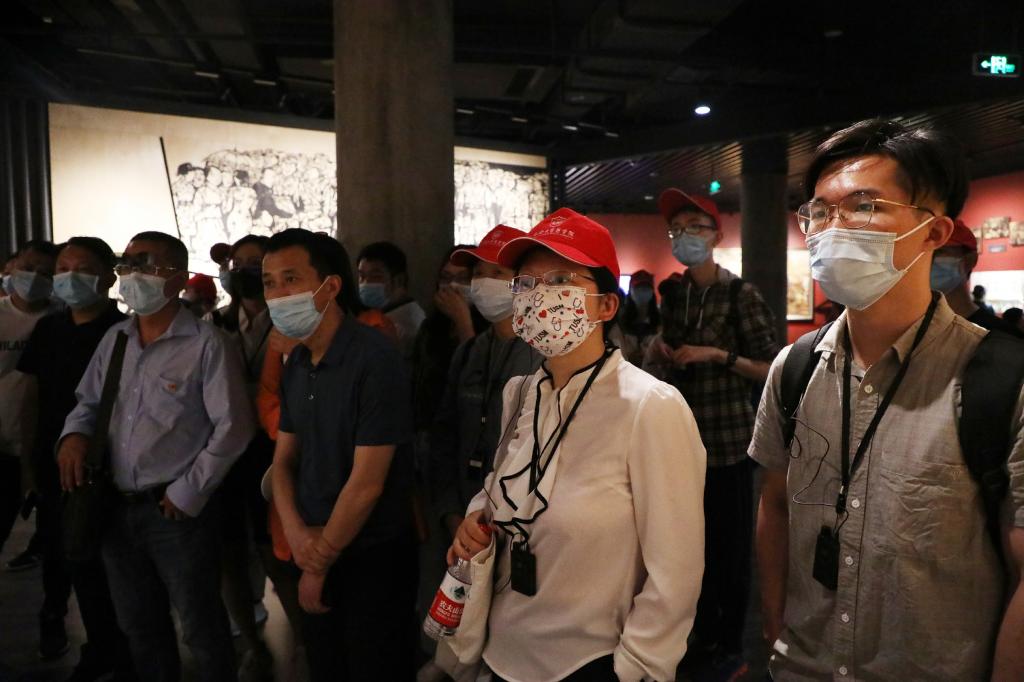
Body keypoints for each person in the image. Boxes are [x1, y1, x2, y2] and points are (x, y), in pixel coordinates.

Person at [751, 118, 1024, 680]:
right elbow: (775, 505)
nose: (833, 228)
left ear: (933, 231)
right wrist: (775, 626)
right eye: (819, 212)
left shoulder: (1000, 381)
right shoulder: (795, 368)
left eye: (864, 206)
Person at [450, 208, 706, 682]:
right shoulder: (521, 393)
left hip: (588, 661)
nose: (539, 295)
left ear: (606, 306)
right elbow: (503, 485)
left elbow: (677, 567)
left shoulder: (650, 406)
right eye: (527, 282)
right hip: (501, 650)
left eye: (561, 280)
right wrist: (477, 515)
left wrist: (633, 666)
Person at [58, 231, 254, 682]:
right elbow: (88, 403)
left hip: (175, 512)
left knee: (201, 626)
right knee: (140, 626)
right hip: (116, 506)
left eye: (145, 264)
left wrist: (189, 491)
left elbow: (233, 427)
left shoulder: (206, 344)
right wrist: (74, 436)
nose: (132, 274)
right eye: (127, 264)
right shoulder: (117, 340)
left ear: (177, 278)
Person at [264, 228, 417, 681]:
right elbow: (283, 462)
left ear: (330, 286)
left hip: (370, 554)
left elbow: (367, 484)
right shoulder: (298, 362)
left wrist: (320, 558)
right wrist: (297, 537)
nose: (278, 294)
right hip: (312, 544)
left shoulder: (374, 359)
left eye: (291, 279)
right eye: (269, 283)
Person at [642, 189, 780, 678]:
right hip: (679, 437)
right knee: (685, 544)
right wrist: (661, 350)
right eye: (677, 229)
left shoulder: (741, 294)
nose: (685, 237)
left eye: (694, 228)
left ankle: (730, 644)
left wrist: (716, 355)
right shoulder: (675, 293)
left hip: (728, 442)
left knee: (730, 549)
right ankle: (698, 634)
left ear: (717, 236)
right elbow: (665, 352)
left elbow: (770, 367)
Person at [17, 237, 135, 678]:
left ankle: (124, 652)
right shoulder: (49, 329)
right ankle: (97, 645)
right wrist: (30, 459)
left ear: (107, 277)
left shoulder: (123, 332)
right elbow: (33, 396)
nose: (69, 277)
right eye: (62, 269)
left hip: (107, 464)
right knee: (68, 555)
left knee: (113, 564)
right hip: (54, 460)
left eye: (82, 268)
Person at [430, 225, 542, 541]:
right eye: (478, 273)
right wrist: (450, 513)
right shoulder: (469, 352)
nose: (484, 282)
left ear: (523, 281)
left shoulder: (544, 354)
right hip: (462, 512)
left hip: (521, 521)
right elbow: (444, 435)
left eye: (497, 273)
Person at [205, 235, 276, 680]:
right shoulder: (213, 323)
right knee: (229, 552)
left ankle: (301, 639)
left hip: (275, 450)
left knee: (275, 550)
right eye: (239, 262)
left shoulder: (289, 322)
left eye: (257, 263)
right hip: (227, 454)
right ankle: (251, 642)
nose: (245, 270)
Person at [0, 241, 59, 561]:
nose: (34, 277)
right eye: (27, 268)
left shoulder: (60, 319)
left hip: (36, 444)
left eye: (45, 272)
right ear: (12, 267)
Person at [931, 219, 1023, 336]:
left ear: (970, 260)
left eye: (939, 252)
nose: (928, 261)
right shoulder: (917, 330)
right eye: (924, 253)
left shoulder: (1004, 336)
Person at [356, 241, 426, 359]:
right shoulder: (382, 314)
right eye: (362, 276)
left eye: (376, 276)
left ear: (399, 280)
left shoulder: (406, 325)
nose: (365, 283)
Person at [619, 269, 660, 366]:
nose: (642, 291)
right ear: (630, 290)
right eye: (638, 287)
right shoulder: (620, 320)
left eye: (646, 288)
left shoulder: (659, 319)